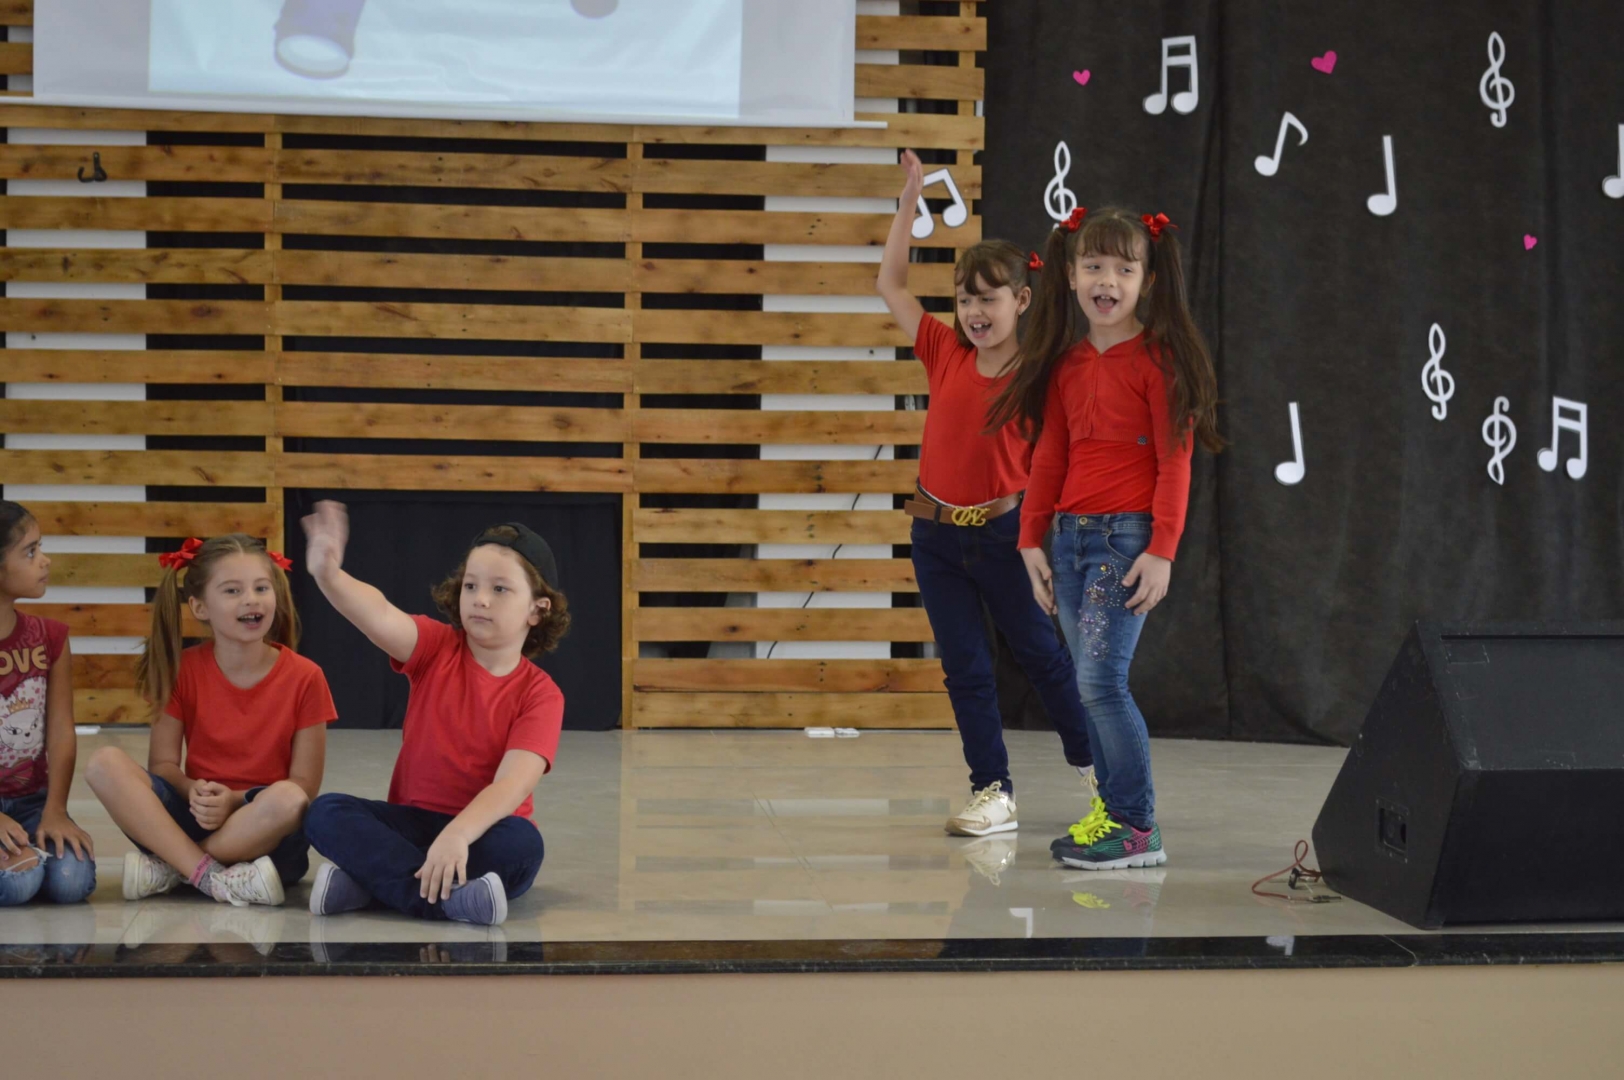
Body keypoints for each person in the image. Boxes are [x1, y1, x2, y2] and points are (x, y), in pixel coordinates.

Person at [989, 206, 1221, 869]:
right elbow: (1050, 457)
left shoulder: (1160, 360)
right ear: (1070, 275)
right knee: (1088, 684)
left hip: (1125, 541)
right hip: (1068, 541)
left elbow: (1175, 460)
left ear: (1148, 281)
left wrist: (1162, 549)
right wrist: (1031, 540)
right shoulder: (1064, 364)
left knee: (1101, 683)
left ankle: (1137, 826)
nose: (1107, 281)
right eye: (1093, 266)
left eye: (1124, 268)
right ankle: (1114, 812)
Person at [877, 149, 1099, 838]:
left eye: (989, 298)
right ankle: (992, 791)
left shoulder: (1041, 373)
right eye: (965, 299)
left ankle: (1100, 769)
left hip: (1007, 537)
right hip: (935, 538)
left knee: (1043, 658)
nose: (975, 311)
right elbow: (890, 283)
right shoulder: (943, 352)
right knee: (965, 669)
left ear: (1020, 301)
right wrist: (909, 203)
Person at [300, 502, 566, 926]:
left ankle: (377, 884)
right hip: (412, 824)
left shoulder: (541, 694)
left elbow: (511, 786)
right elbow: (378, 613)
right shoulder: (435, 647)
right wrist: (328, 574)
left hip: (482, 833)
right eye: (471, 586)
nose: (480, 599)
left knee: (522, 847)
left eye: (500, 589)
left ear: (538, 608)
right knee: (325, 812)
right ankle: (445, 901)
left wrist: (458, 834)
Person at [86, 534, 336, 906]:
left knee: (289, 799)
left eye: (261, 588)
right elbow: (163, 765)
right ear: (200, 607)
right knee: (103, 763)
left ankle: (176, 867)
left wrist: (233, 801)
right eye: (233, 591)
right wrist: (194, 792)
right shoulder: (183, 670)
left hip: (265, 835)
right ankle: (208, 874)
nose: (251, 599)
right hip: (196, 815)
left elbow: (304, 786)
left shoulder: (306, 676)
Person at [0, 501, 97, 907]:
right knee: (20, 883)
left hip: (32, 802)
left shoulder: (49, 637)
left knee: (72, 882)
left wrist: (55, 809)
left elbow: (59, 731)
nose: (45, 560)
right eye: (30, 551)